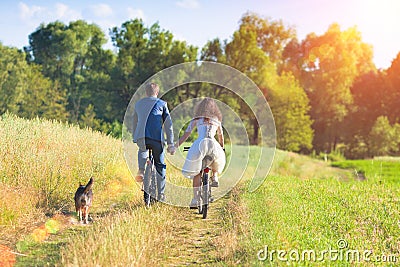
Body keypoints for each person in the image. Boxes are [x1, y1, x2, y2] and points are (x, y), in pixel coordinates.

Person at [176, 98, 225, 208]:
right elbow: (221, 136)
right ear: (214, 109)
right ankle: (215, 176)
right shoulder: (217, 120)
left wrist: (175, 146)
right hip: (213, 144)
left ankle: (195, 199)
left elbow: (186, 135)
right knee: (217, 159)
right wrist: (222, 147)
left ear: (200, 107)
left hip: (199, 145)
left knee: (196, 172)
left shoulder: (197, 119)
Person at [132, 82, 175, 201]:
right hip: (157, 138)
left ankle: (141, 170)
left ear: (146, 93)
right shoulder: (162, 104)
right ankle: (161, 194)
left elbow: (134, 121)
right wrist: (170, 143)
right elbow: (168, 124)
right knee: (160, 165)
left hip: (141, 136)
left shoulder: (138, 104)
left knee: (142, 149)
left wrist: (134, 136)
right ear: (157, 92)